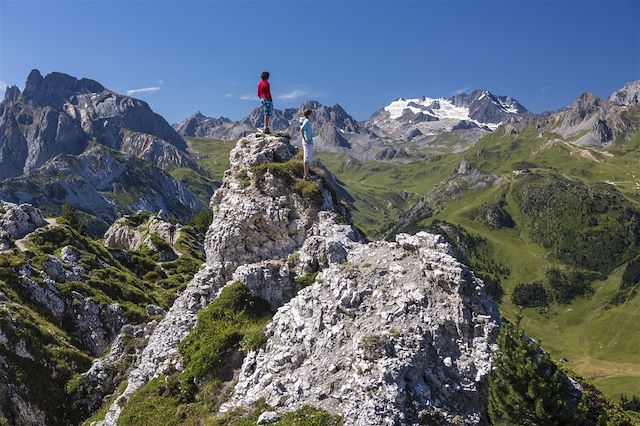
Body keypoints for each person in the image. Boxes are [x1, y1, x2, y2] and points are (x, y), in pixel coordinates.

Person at [300, 109, 314, 180]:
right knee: (306, 158)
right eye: (311, 114)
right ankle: (306, 175)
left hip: (309, 142)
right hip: (307, 142)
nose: (312, 115)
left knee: (308, 158)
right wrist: (304, 138)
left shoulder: (308, 122)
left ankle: (307, 174)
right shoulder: (306, 121)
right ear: (308, 115)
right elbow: (302, 129)